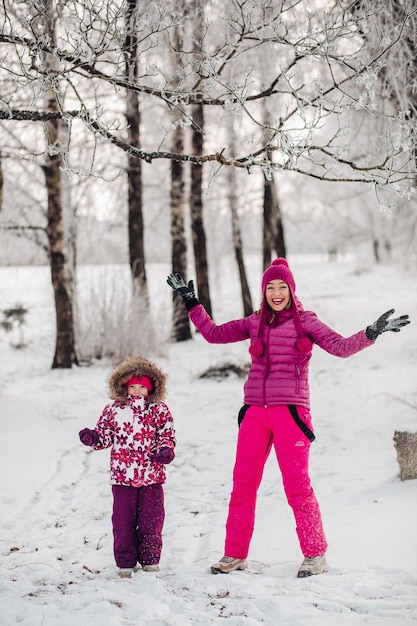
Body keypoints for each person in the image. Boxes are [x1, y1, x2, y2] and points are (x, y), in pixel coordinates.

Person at [167, 258, 410, 578]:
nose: (276, 292)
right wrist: (192, 302)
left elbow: (340, 347)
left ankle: (315, 554)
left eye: (282, 286)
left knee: (297, 486)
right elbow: (213, 334)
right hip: (254, 412)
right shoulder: (254, 322)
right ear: (263, 291)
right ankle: (235, 554)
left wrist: (371, 332)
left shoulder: (306, 322)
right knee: (243, 485)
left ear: (292, 290)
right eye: (270, 287)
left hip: (292, 415)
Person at [79, 356, 176, 579]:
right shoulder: (114, 410)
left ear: (151, 388)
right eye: (132, 386)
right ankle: (125, 561)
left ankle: (150, 559)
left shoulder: (159, 410)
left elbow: (167, 435)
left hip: (152, 476)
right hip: (123, 477)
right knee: (123, 521)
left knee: (151, 519)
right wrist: (93, 437)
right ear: (124, 386)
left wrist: (165, 450)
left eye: (142, 387)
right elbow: (104, 436)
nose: (136, 391)